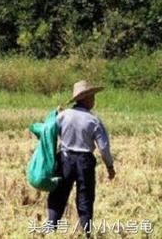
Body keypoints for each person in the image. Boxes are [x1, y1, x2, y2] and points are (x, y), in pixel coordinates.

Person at [47, 80, 115, 237]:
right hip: (84, 162)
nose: (94, 100)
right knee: (85, 198)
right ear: (85, 99)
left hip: (64, 160)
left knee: (58, 195)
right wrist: (110, 166)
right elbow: (103, 147)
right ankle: (87, 233)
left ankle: (50, 230)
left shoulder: (63, 116)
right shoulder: (93, 120)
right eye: (92, 97)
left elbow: (49, 131)